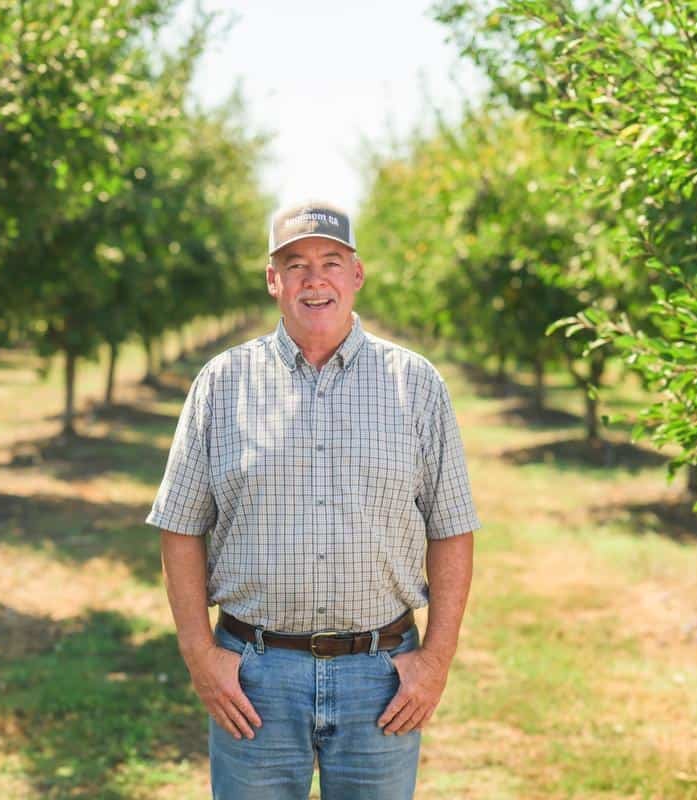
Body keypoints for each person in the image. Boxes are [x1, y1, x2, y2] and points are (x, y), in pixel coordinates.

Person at [147, 200, 479, 799]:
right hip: (254, 677)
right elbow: (179, 526)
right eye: (295, 264)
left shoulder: (416, 384)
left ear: (357, 275)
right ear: (273, 280)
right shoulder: (222, 385)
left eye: (331, 261)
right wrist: (201, 655)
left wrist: (435, 661)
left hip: (380, 678)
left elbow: (452, 529)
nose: (314, 278)